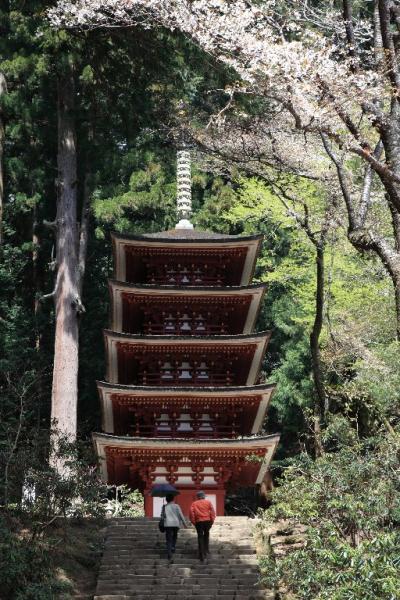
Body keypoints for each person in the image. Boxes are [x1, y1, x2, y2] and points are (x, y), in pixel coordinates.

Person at [189, 491, 216, 562]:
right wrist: (212, 520)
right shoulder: (208, 502)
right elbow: (213, 512)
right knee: (206, 534)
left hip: (199, 521)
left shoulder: (194, 503)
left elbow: (191, 513)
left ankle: (201, 554)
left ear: (198, 497)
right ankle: (206, 550)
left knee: (200, 536)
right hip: (207, 521)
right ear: (203, 496)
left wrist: (194, 522)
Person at [162, 493, 187, 562]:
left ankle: (169, 552)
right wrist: (185, 524)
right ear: (173, 499)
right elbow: (181, 515)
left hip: (168, 524)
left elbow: (163, 516)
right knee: (175, 535)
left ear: (166, 500)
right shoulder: (176, 506)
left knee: (168, 538)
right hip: (176, 524)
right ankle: (173, 546)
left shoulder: (165, 506)